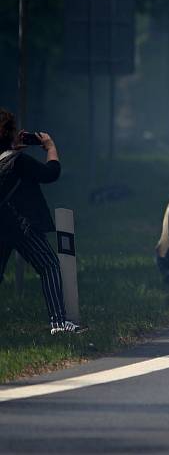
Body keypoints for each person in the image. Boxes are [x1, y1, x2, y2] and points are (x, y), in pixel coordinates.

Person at [0, 109, 83, 334]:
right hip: (20, 226)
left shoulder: (8, 160)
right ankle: (58, 323)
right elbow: (50, 174)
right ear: (10, 133)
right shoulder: (19, 161)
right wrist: (50, 147)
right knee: (48, 266)